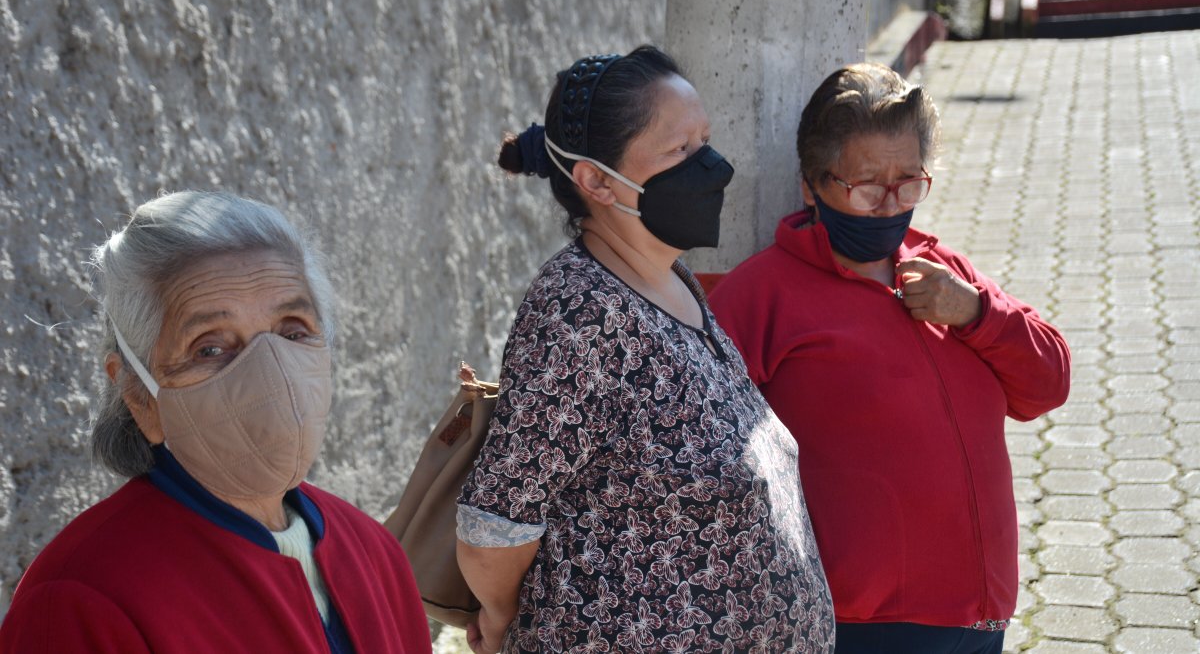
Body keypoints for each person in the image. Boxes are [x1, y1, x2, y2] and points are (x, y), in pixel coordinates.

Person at [453, 45, 835, 653]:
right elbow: (494, 526)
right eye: (679, 151)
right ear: (596, 182)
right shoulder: (578, 312)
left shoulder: (670, 279)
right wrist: (501, 619)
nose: (712, 166)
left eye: (704, 140)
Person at [708, 62, 1071, 654]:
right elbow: (695, 455)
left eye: (908, 181)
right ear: (812, 185)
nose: (890, 204)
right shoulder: (760, 295)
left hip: (983, 618)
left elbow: (1048, 383)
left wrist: (979, 313)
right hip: (858, 627)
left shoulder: (943, 270)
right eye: (868, 185)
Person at [0, 192, 432, 653]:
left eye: (293, 331)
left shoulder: (374, 552)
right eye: (209, 348)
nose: (272, 374)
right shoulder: (82, 600)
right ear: (139, 395)